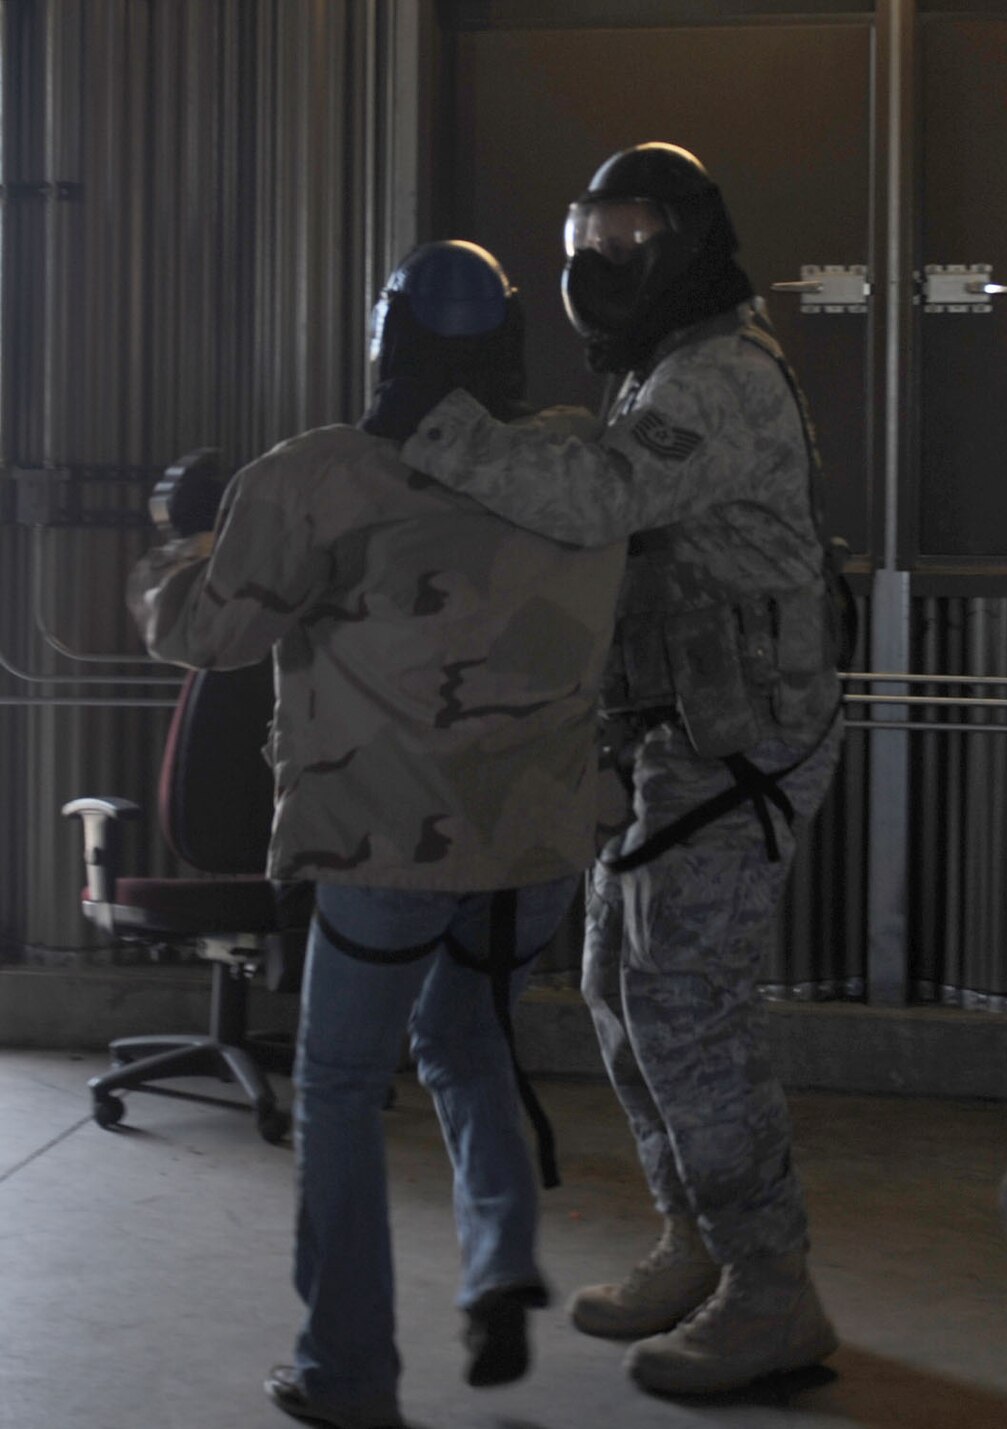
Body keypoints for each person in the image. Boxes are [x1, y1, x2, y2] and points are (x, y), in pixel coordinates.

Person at [130, 241, 623, 1429]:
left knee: (344, 1086)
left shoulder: (312, 474)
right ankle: (501, 1263)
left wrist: (181, 535)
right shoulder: (578, 461)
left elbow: (208, 636)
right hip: (540, 850)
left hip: (384, 847)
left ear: (384, 340)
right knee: (469, 1047)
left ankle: (346, 1371)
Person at [399, 142, 846, 1397]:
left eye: (629, 231)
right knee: (616, 984)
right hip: (675, 735)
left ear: (689, 237)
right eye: (586, 232)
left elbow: (594, 498)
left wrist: (434, 424)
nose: (601, 256)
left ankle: (772, 1288)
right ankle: (697, 1237)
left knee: (683, 1002)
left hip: (743, 741)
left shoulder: (716, 374)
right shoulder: (661, 362)